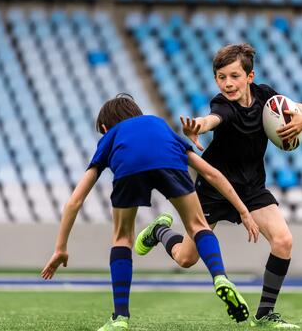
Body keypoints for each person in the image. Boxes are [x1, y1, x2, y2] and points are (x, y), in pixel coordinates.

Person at [41, 93, 260, 331]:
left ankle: (121, 317)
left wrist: (60, 248)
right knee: (198, 226)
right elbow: (212, 174)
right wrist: (243, 211)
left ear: (105, 128)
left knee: (122, 238)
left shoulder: (111, 137)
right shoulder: (158, 125)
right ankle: (219, 276)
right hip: (169, 162)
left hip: (128, 169)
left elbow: (75, 201)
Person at [135, 44, 302, 329]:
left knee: (283, 241)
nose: (227, 83)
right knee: (185, 259)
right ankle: (160, 231)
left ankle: (265, 314)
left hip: (252, 187)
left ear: (250, 76)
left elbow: (300, 108)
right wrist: (198, 127)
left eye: (234, 76)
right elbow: (213, 120)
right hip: (213, 188)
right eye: (221, 77)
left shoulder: (266, 96)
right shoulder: (223, 104)